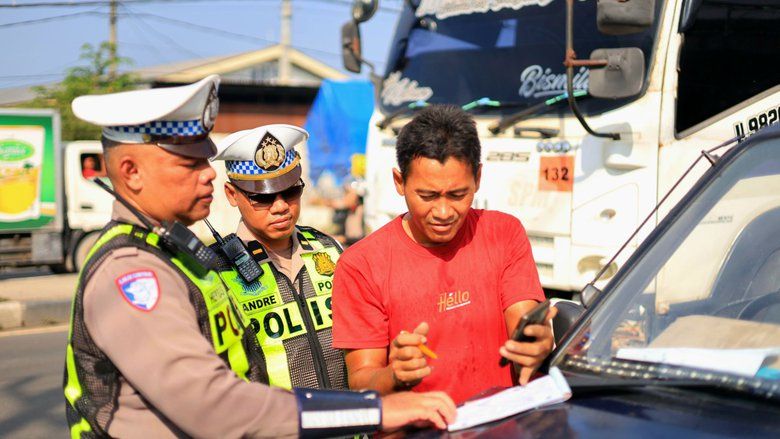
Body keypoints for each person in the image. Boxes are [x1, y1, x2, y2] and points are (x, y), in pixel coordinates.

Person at [64, 76, 456, 438]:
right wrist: (373, 411)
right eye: (191, 163)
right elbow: (213, 403)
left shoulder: (174, 255)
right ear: (131, 172)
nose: (209, 175)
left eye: (291, 191)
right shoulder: (133, 272)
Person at [332, 105, 558, 404]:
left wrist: (535, 344)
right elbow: (362, 381)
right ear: (399, 182)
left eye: (457, 195)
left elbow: (523, 324)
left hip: (502, 423)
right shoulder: (361, 264)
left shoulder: (503, 233)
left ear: (478, 178)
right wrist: (394, 375)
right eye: (427, 196)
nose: (442, 212)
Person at [209, 124, 348, 390]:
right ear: (231, 194)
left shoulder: (328, 248)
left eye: (291, 191)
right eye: (263, 197)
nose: (281, 206)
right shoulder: (216, 270)